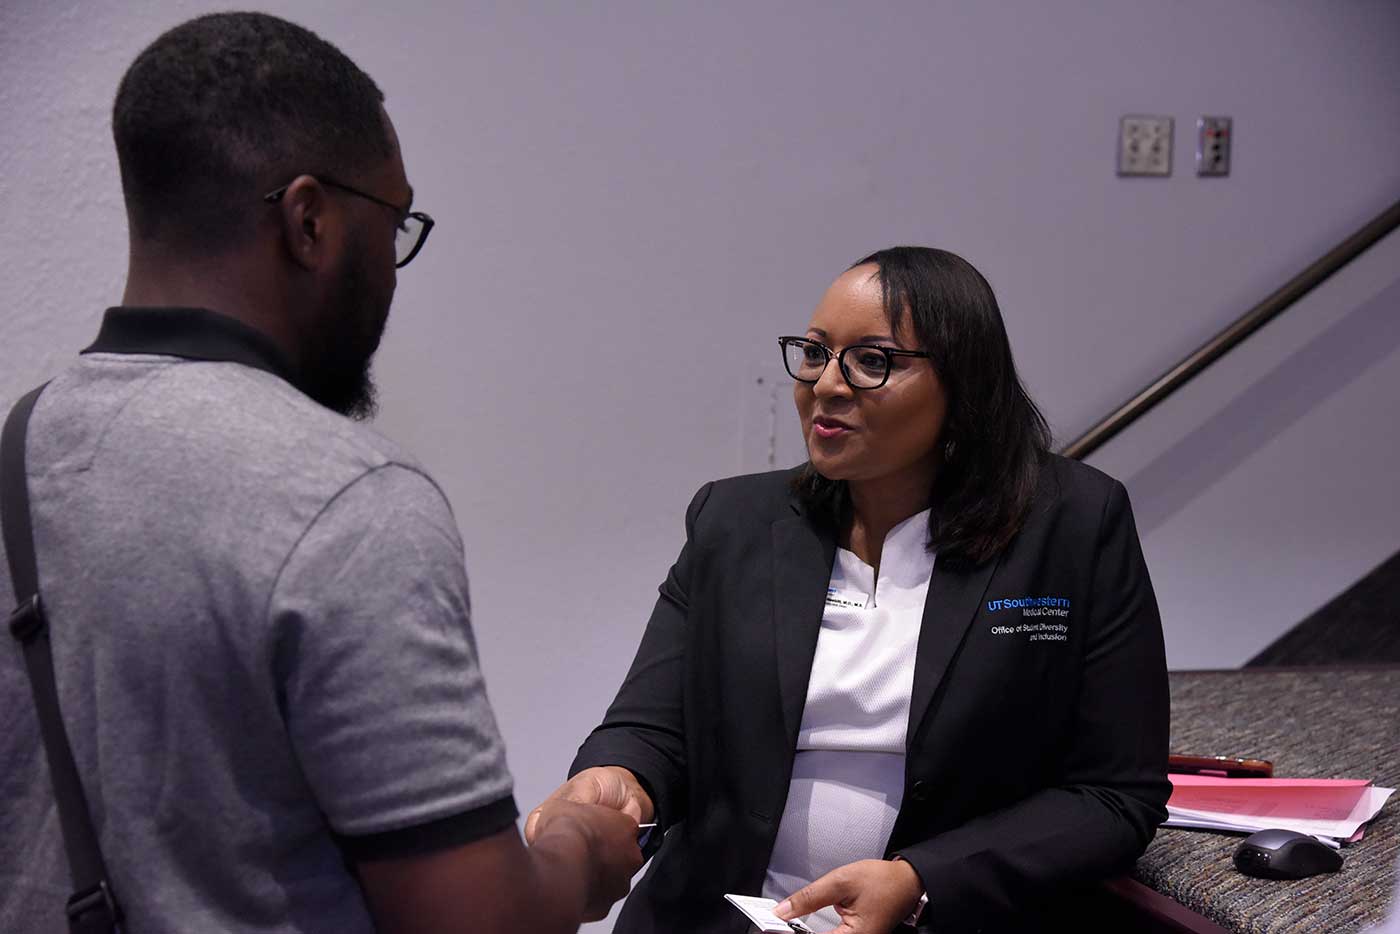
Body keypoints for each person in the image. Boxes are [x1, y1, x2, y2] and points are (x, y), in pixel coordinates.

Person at [0, 13, 640, 934]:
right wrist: (581, 847)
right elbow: (476, 922)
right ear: (309, 221)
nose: (392, 266)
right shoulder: (347, 500)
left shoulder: (21, 446)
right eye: (394, 225)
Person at [530, 247, 1171, 932]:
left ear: (964, 384)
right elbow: (652, 727)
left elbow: (1113, 795)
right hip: (720, 916)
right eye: (813, 353)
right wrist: (616, 779)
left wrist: (922, 883)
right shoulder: (735, 521)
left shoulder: (1071, 526)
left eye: (872, 361)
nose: (826, 385)